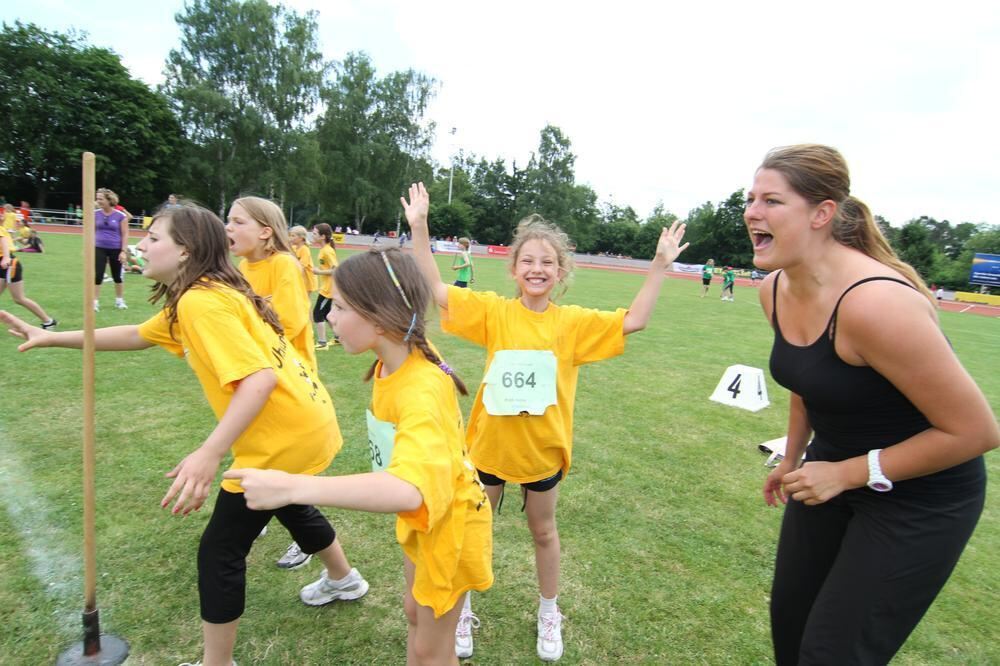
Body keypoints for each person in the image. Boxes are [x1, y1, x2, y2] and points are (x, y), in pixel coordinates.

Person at [0, 204, 368, 666]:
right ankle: (343, 579)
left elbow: (258, 381)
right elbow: (139, 334)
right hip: (305, 420)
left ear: (185, 251)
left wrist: (209, 453)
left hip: (283, 434)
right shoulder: (201, 293)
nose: (141, 245)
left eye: (154, 238)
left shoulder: (202, 301)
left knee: (220, 550)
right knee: (287, 502)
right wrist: (52, 336)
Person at [402, 182, 688, 661]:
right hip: (490, 448)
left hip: (542, 451)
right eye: (529, 261)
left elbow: (635, 320)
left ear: (560, 271)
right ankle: (462, 609)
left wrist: (659, 264)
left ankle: (549, 611)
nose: (537, 269)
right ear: (514, 269)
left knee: (543, 531)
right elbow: (435, 289)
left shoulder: (572, 323)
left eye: (548, 262)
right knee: (472, 532)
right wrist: (420, 227)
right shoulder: (494, 312)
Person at [748, 144, 998, 665]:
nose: (752, 212)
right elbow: (805, 383)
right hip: (829, 471)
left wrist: (846, 473)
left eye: (772, 201)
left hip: (921, 496)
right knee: (791, 632)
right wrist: (793, 458)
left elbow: (976, 432)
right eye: (750, 199)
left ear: (822, 214)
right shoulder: (773, 290)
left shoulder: (876, 303)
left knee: (833, 654)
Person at [227, 248, 494, 666]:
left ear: (380, 317)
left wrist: (291, 486)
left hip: (452, 526)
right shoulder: (397, 355)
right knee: (414, 611)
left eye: (340, 306)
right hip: (428, 519)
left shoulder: (421, 389)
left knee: (431, 649)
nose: (329, 317)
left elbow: (409, 490)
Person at [227, 196, 316, 374]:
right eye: (228, 221)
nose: (228, 227)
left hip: (290, 370)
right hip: (260, 365)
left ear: (265, 232)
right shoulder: (243, 266)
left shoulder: (283, 263)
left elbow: (288, 321)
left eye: (238, 222)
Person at [0, 224, 56, 328]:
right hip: (4, 265)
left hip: (9, 265)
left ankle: (48, 321)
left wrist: (6, 257)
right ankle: (48, 321)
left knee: (19, 298)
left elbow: (3, 240)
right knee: (19, 298)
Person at [93, 188, 130, 311]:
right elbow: (91, 231)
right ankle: (95, 302)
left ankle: (119, 301)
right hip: (99, 247)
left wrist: (123, 251)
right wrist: (88, 247)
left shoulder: (120, 216)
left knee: (117, 276)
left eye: (101, 199)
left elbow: (125, 234)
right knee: (98, 275)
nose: (98, 201)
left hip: (115, 248)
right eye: (97, 199)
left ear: (109, 200)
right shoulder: (95, 214)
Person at [311, 223, 339, 350]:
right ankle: (338, 337)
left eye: (315, 234)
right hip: (326, 287)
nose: (312, 235)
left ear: (322, 236)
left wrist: (318, 272)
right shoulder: (324, 250)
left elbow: (335, 270)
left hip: (328, 289)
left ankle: (322, 343)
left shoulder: (328, 251)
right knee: (327, 314)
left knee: (318, 313)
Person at [288, 225, 318, 295]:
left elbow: (302, 266)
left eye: (293, 236)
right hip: (300, 280)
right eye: (290, 236)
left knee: (304, 300)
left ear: (301, 238)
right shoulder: (294, 248)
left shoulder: (304, 250)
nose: (290, 238)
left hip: (307, 281)